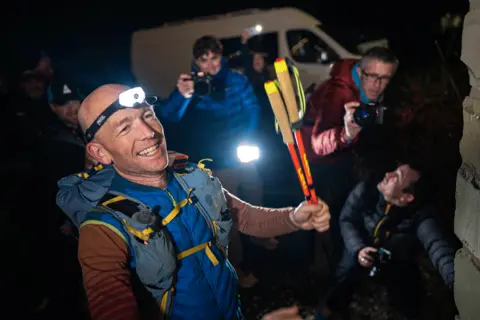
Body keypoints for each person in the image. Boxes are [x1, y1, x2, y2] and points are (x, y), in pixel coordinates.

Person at [56, 84, 331, 320]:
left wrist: (294, 217)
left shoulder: (191, 177)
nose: (148, 132)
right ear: (100, 152)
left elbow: (242, 216)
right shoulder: (104, 226)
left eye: (148, 115)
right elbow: (111, 305)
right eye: (125, 128)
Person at [158, 35, 265, 286]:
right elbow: (169, 116)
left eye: (214, 58)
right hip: (213, 159)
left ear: (222, 57)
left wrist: (248, 137)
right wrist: (182, 96)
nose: (210, 65)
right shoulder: (191, 85)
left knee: (256, 186)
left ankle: (259, 234)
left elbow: (252, 109)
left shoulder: (236, 80)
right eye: (203, 60)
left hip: (241, 151)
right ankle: (237, 266)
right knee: (228, 212)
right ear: (196, 62)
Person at [300, 47, 400, 273]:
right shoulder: (338, 93)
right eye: (372, 76)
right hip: (318, 159)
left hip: (346, 154)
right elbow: (318, 142)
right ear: (360, 71)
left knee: (346, 207)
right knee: (325, 213)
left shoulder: (372, 85)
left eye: (385, 78)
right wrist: (345, 135)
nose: (377, 84)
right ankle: (321, 268)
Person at [317, 164, 456, 320]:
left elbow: (438, 246)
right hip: (360, 244)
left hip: (395, 257)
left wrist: (458, 282)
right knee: (345, 272)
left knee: (409, 292)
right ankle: (329, 310)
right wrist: (358, 249)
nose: (388, 174)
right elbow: (347, 219)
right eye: (394, 170)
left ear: (406, 197)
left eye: (396, 176)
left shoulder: (420, 215)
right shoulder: (367, 190)